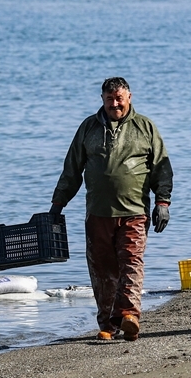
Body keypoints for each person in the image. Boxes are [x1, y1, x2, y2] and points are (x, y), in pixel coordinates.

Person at [50, 77, 172, 342]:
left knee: (131, 262)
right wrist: (57, 204)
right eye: (109, 99)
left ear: (129, 97)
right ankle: (107, 324)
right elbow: (72, 170)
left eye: (119, 98)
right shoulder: (88, 128)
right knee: (102, 270)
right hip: (98, 213)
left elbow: (162, 167)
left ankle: (129, 316)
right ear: (102, 99)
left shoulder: (145, 127)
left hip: (134, 211)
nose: (114, 104)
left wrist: (163, 202)